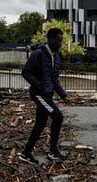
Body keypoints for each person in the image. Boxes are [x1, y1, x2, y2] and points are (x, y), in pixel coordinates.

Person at [18, 28, 68, 165]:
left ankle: (26, 153)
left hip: (47, 95)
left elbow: (54, 79)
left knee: (40, 124)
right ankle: (52, 150)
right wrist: (40, 86)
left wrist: (63, 95)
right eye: (59, 40)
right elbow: (26, 72)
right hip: (39, 94)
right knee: (58, 117)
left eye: (61, 40)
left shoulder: (56, 56)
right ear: (51, 39)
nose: (61, 43)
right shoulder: (38, 54)